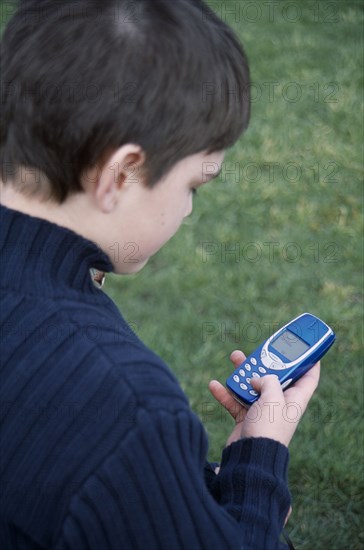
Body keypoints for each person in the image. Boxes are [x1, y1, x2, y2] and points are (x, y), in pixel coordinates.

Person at [0, 1, 320, 548]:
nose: (190, 210)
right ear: (121, 172)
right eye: (194, 185)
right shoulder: (129, 414)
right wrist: (255, 470)